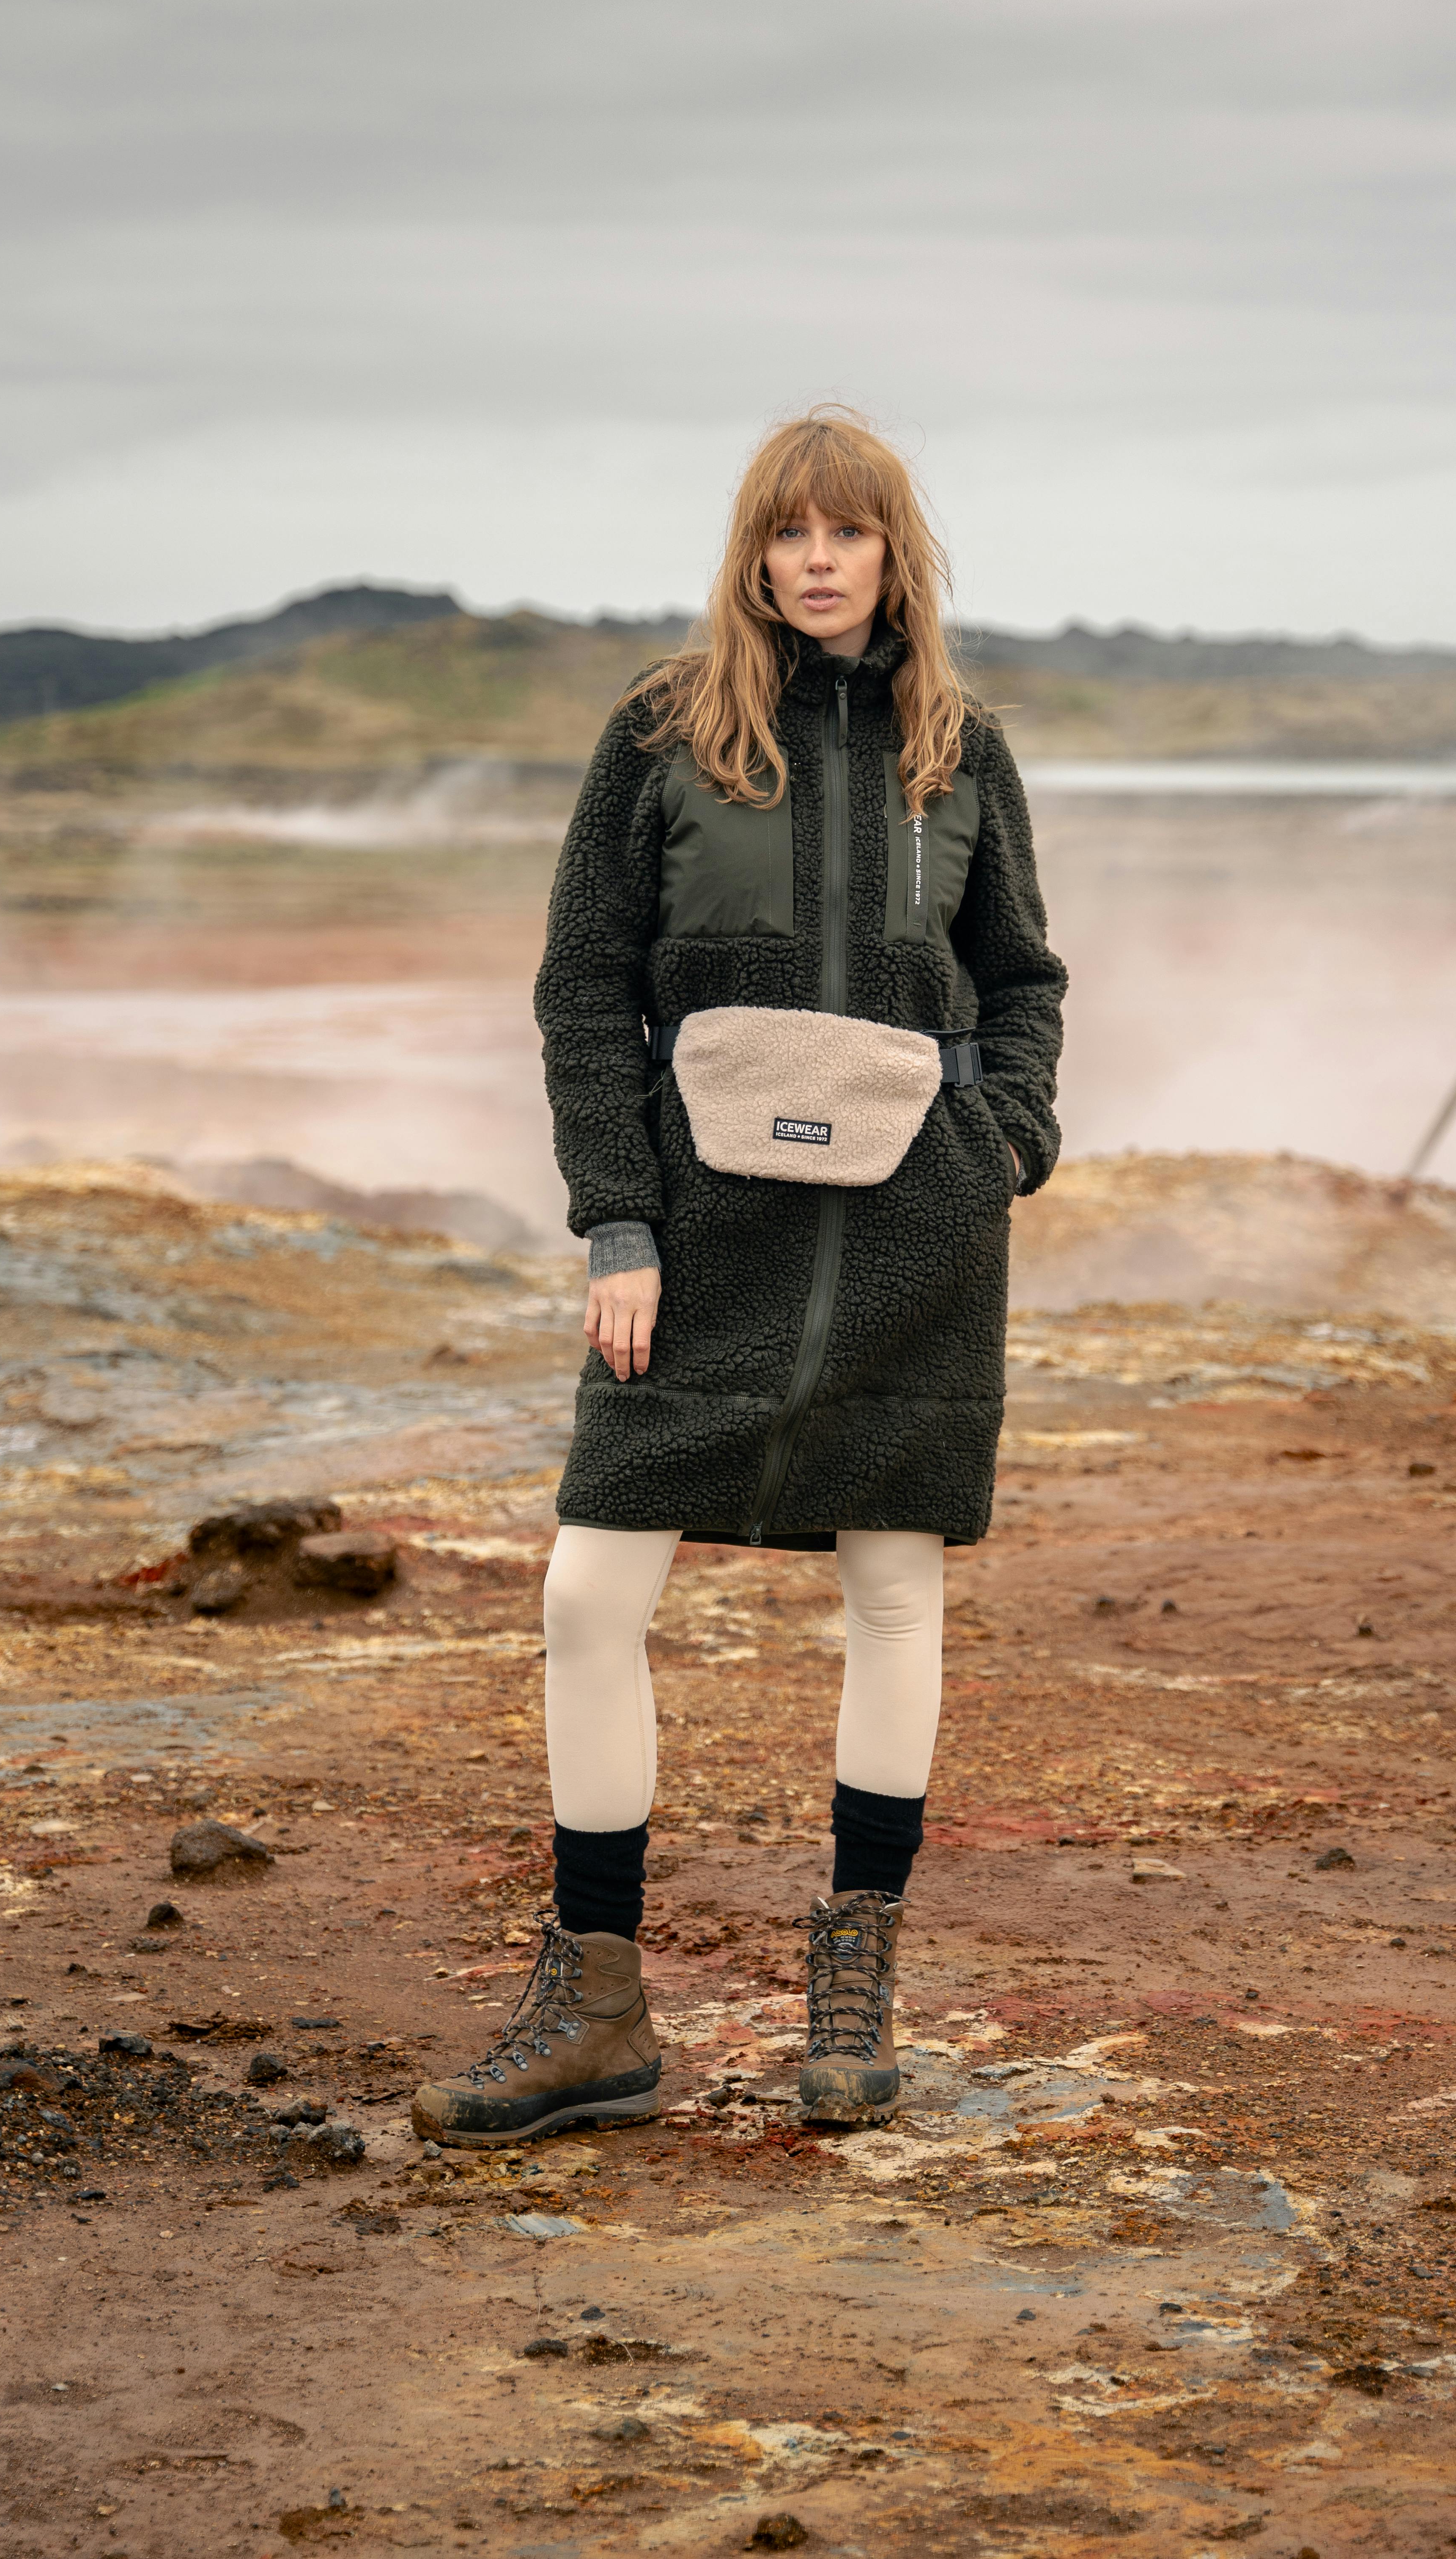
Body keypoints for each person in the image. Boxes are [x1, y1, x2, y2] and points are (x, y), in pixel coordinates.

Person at [413, 409, 1066, 2148]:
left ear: (893, 551)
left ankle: (852, 1990)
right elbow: (583, 986)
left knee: (893, 1591)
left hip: (914, 1227)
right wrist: (616, 1223)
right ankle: (596, 2010)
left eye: (847, 531)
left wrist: (1002, 1141)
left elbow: (1019, 976)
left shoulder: (960, 748)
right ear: (752, 553)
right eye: (788, 532)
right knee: (588, 1592)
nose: (816, 560)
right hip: (700, 1230)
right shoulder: (662, 731)